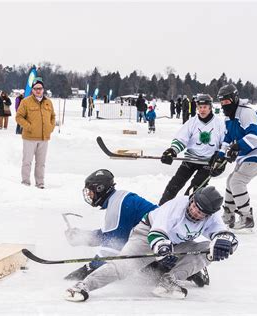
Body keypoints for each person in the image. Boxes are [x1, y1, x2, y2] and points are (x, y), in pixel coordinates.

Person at [65, 186, 238, 302]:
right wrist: (164, 251)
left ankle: (169, 281)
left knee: (208, 249)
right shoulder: (176, 206)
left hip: (176, 243)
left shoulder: (212, 216)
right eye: (194, 205)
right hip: (146, 235)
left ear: (209, 214)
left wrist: (225, 243)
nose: (194, 211)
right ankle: (82, 286)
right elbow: (157, 232)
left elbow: (225, 235)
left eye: (200, 212)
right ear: (192, 199)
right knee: (124, 266)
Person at [64, 169, 158, 280]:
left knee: (139, 275)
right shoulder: (118, 200)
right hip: (158, 242)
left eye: (91, 191)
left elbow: (112, 248)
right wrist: (83, 236)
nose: (89, 194)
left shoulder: (117, 206)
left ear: (100, 189)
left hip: (164, 248)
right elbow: (110, 235)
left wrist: (86, 270)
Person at [210, 84, 257, 231]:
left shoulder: (246, 113)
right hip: (246, 155)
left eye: (227, 101)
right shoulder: (229, 117)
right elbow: (228, 138)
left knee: (238, 181)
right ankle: (229, 215)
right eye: (222, 102)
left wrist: (237, 147)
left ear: (235, 98)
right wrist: (220, 155)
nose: (225, 105)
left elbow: (255, 137)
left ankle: (247, 218)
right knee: (230, 181)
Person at [159, 94, 225, 205]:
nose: (202, 110)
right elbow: (181, 139)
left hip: (207, 163)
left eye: (205, 107)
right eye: (200, 107)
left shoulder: (219, 123)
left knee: (193, 191)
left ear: (210, 107)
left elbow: (225, 143)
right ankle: (161, 209)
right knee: (173, 185)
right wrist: (172, 151)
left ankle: (183, 213)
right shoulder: (192, 122)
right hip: (190, 160)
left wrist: (220, 158)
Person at [15, 77, 56, 189]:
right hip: (30, 137)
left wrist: (51, 127)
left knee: (41, 163)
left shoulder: (48, 102)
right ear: (32, 90)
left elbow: (53, 116)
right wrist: (29, 127)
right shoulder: (25, 102)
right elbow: (18, 117)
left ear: (43, 89)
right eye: (36, 88)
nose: (38, 90)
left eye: (40, 88)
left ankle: (40, 183)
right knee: (27, 161)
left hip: (44, 138)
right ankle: (25, 182)